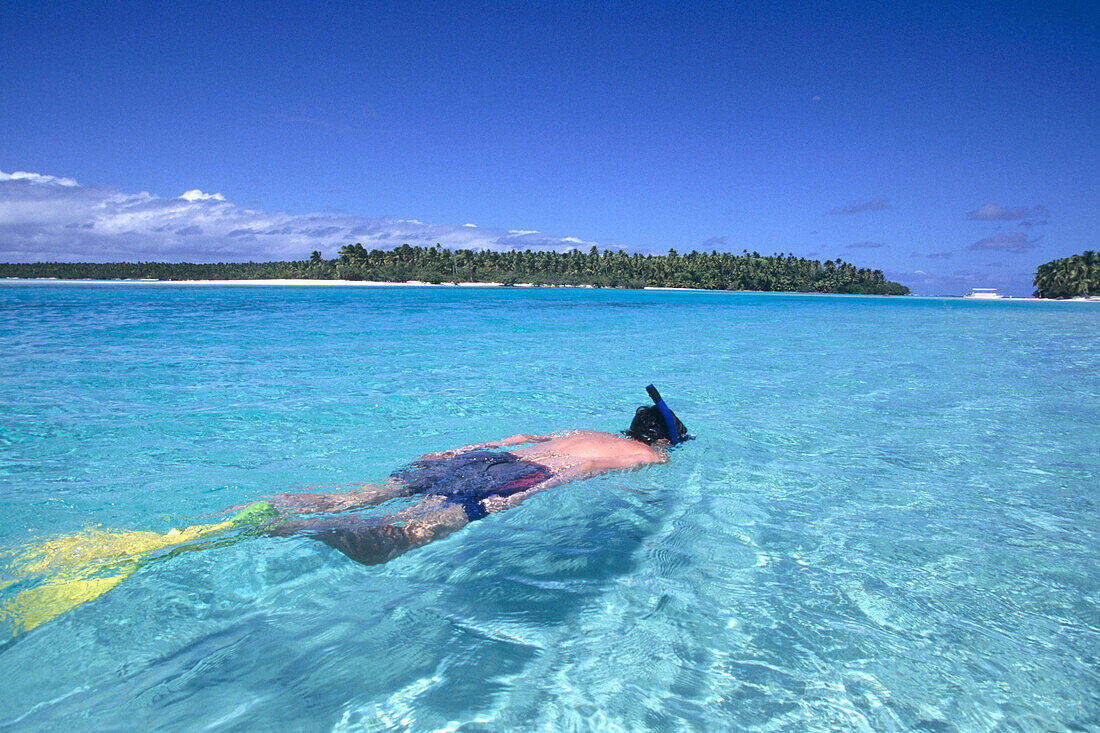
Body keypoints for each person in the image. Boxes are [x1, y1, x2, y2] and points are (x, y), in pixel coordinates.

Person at [251, 385, 691, 566]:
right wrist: (527, 493)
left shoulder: (582, 430)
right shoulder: (652, 457)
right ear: (665, 441)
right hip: (524, 475)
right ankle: (317, 530)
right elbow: (590, 467)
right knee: (411, 532)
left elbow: (519, 435)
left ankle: (282, 508)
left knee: (386, 489)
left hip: (486, 458)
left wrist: (451, 452)